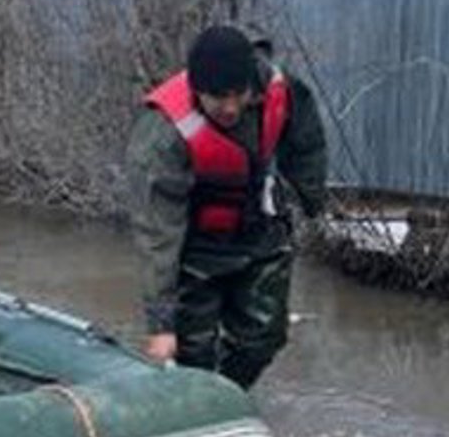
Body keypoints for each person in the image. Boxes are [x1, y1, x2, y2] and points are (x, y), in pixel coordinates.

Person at [126, 22, 330, 388]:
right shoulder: (162, 135)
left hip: (258, 230)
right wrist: (161, 326)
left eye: (239, 94)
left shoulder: (279, 88)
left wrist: (308, 202)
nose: (231, 107)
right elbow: (157, 235)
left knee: (264, 338)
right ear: (198, 91)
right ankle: (200, 398)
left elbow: (307, 143)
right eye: (219, 98)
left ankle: (228, 394)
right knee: (193, 353)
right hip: (194, 246)